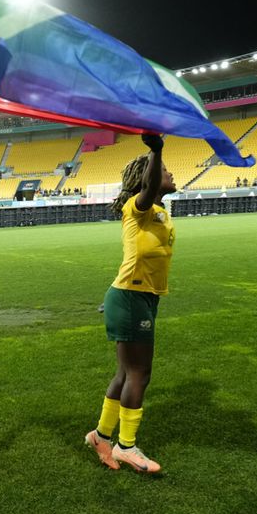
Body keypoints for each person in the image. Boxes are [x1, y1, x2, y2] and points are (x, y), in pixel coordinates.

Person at [85, 133, 175, 474]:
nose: (170, 175)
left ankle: (101, 436)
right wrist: (156, 150)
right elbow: (149, 188)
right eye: (163, 170)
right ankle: (126, 446)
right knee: (140, 373)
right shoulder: (138, 208)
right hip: (131, 296)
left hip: (139, 297)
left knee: (126, 372)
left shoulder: (158, 214)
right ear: (146, 179)